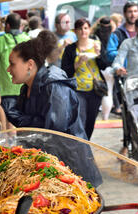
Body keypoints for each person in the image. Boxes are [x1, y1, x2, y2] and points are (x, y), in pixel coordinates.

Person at [5, 30, 102, 186]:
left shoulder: (54, 86)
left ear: (30, 64)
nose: (8, 70)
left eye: (12, 64)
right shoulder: (26, 88)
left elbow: (53, 131)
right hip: (48, 167)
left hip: (71, 169)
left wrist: (19, 118)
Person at [61, 18, 108, 140]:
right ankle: (81, 146)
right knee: (79, 120)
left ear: (89, 29)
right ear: (75, 31)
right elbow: (65, 71)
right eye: (80, 29)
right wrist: (77, 64)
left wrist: (99, 55)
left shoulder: (96, 45)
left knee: (91, 120)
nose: (83, 31)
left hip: (95, 89)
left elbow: (105, 65)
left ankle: (86, 143)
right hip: (77, 90)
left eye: (86, 28)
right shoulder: (70, 49)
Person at [0, 13, 29, 123]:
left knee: (5, 121)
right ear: (20, 25)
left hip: (6, 89)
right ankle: (14, 139)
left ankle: (8, 139)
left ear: (8, 25)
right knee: (20, 122)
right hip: (25, 88)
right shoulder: (27, 39)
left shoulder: (1, 41)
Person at [107, 2, 138, 114]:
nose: (133, 14)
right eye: (130, 11)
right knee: (130, 112)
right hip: (126, 78)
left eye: (135, 11)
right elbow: (110, 53)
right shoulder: (117, 33)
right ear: (125, 14)